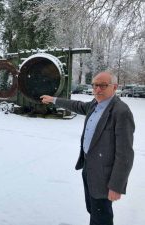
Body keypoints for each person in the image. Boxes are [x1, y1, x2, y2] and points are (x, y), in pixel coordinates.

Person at [40, 71, 134, 225]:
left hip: (104, 176)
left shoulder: (121, 112)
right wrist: (53, 100)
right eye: (95, 85)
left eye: (103, 85)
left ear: (114, 87)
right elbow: (77, 105)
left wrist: (116, 185)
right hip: (88, 169)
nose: (98, 89)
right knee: (93, 209)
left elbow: (125, 154)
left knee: (102, 216)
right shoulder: (95, 104)